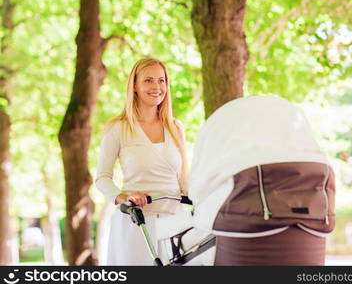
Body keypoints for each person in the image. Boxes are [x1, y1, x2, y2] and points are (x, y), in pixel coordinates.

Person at [188, 95, 336, 265]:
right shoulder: (305, 163)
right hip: (310, 232)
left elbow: (201, 190)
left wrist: (197, 196)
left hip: (244, 232)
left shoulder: (236, 171)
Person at [95, 56, 189, 265]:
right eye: (148, 80)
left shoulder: (176, 128)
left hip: (174, 225)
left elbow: (184, 180)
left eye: (161, 80)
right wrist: (123, 197)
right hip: (136, 224)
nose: (157, 86)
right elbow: (102, 178)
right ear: (135, 86)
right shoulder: (118, 129)